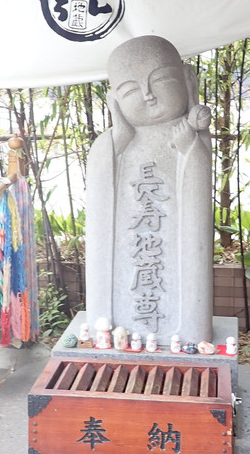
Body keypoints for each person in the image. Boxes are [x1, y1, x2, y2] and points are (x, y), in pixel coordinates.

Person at [84, 35, 214, 345]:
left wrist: (189, 147)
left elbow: (197, 196)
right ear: (114, 100)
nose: (148, 95)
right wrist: (118, 143)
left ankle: (187, 332)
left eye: (161, 81)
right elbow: (99, 203)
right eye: (131, 90)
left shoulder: (191, 133)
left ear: (187, 81)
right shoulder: (112, 144)